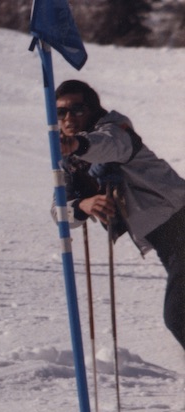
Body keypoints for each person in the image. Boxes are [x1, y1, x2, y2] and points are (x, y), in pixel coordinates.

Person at [55, 79, 185, 353]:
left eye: (77, 109)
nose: (69, 118)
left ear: (92, 109)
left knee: (179, 315)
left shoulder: (115, 129)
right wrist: (82, 205)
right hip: (167, 241)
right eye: (60, 112)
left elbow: (112, 146)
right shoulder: (71, 162)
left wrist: (76, 144)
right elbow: (58, 212)